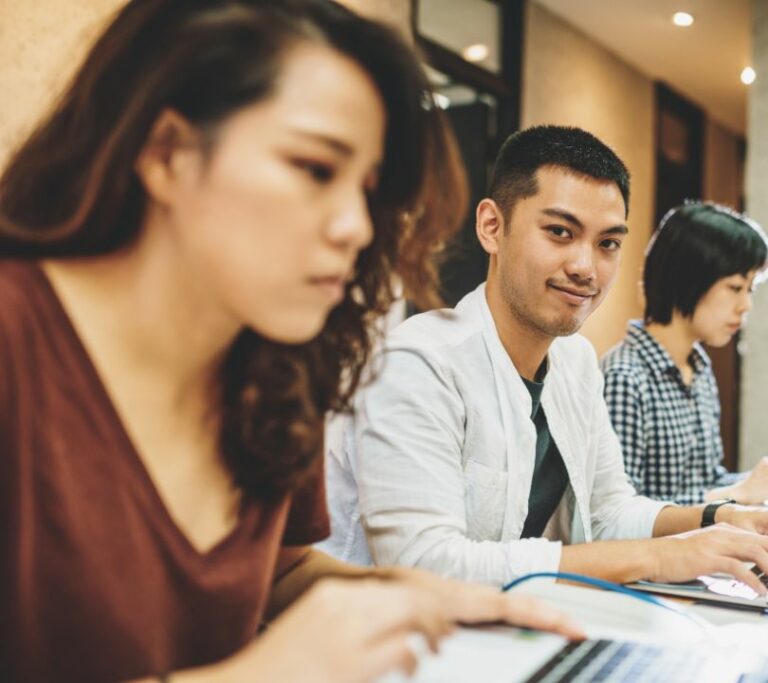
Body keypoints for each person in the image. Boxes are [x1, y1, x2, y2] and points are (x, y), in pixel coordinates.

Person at [0, 2, 579, 682]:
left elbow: (280, 569)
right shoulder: (18, 341)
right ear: (167, 154)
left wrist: (415, 597)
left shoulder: (270, 365)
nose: (356, 227)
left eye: (368, 190)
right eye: (313, 169)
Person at [337, 125, 768, 591]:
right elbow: (423, 565)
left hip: (511, 624)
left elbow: (609, 512)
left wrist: (722, 518)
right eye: (560, 232)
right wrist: (658, 557)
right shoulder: (418, 363)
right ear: (492, 227)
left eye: (608, 244)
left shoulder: (575, 362)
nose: (586, 267)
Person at [601, 202, 768, 506]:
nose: (746, 305)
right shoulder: (624, 378)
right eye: (735, 287)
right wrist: (737, 494)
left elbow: (707, 483)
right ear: (688, 278)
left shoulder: (697, 369)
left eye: (750, 289)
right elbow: (619, 514)